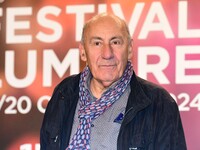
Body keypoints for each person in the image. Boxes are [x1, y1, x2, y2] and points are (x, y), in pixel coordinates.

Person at [40, 13, 187, 150]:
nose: (107, 53)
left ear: (129, 49)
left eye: (115, 42)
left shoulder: (159, 103)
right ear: (83, 51)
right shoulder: (63, 93)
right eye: (97, 43)